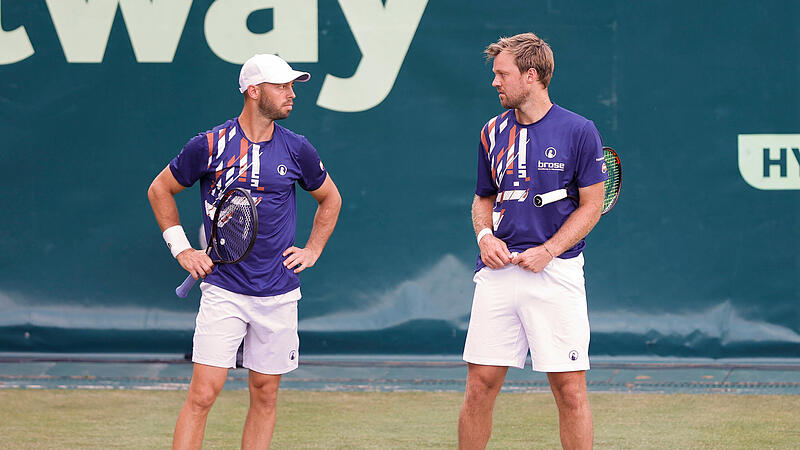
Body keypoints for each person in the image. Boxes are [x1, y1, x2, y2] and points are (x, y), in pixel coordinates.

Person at [147, 53, 342, 449]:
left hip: (279, 293)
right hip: (224, 291)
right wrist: (183, 250)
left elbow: (330, 198)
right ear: (254, 91)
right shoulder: (208, 144)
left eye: (292, 87)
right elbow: (159, 189)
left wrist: (313, 249)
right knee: (203, 395)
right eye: (282, 86)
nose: (291, 95)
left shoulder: (298, 148)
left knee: (266, 394)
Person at [458, 33, 607, 450]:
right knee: (478, 387)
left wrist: (549, 250)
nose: (495, 83)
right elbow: (483, 197)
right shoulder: (491, 131)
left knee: (570, 392)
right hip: (497, 275)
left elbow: (592, 205)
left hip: (556, 274)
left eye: (502, 74)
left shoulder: (579, 130)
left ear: (532, 75)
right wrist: (484, 236)